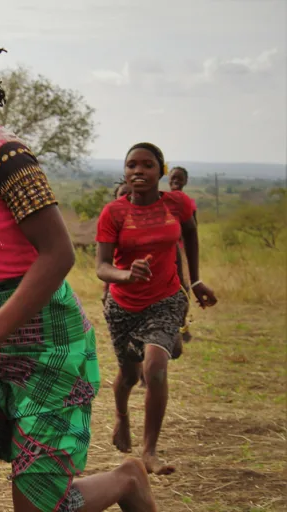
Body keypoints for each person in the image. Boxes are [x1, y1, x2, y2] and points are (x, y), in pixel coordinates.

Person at [0, 24, 158, 511]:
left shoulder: (8, 159)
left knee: (40, 504)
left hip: (48, 344)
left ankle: (125, 480)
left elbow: (58, 255)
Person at [97, 143, 217, 476]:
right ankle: (121, 417)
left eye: (148, 165)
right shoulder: (114, 213)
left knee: (155, 365)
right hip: (122, 306)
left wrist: (195, 281)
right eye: (132, 165)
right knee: (130, 375)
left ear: (160, 171)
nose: (139, 171)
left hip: (165, 299)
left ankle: (149, 451)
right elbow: (102, 267)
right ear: (124, 172)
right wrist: (126, 274)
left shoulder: (178, 204)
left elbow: (191, 233)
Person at [168, 166, 195, 342]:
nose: (176, 181)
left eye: (180, 178)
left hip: (181, 251)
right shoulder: (162, 199)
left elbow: (193, 230)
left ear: (185, 181)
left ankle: (182, 325)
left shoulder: (188, 203)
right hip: (165, 251)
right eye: (173, 178)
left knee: (184, 288)